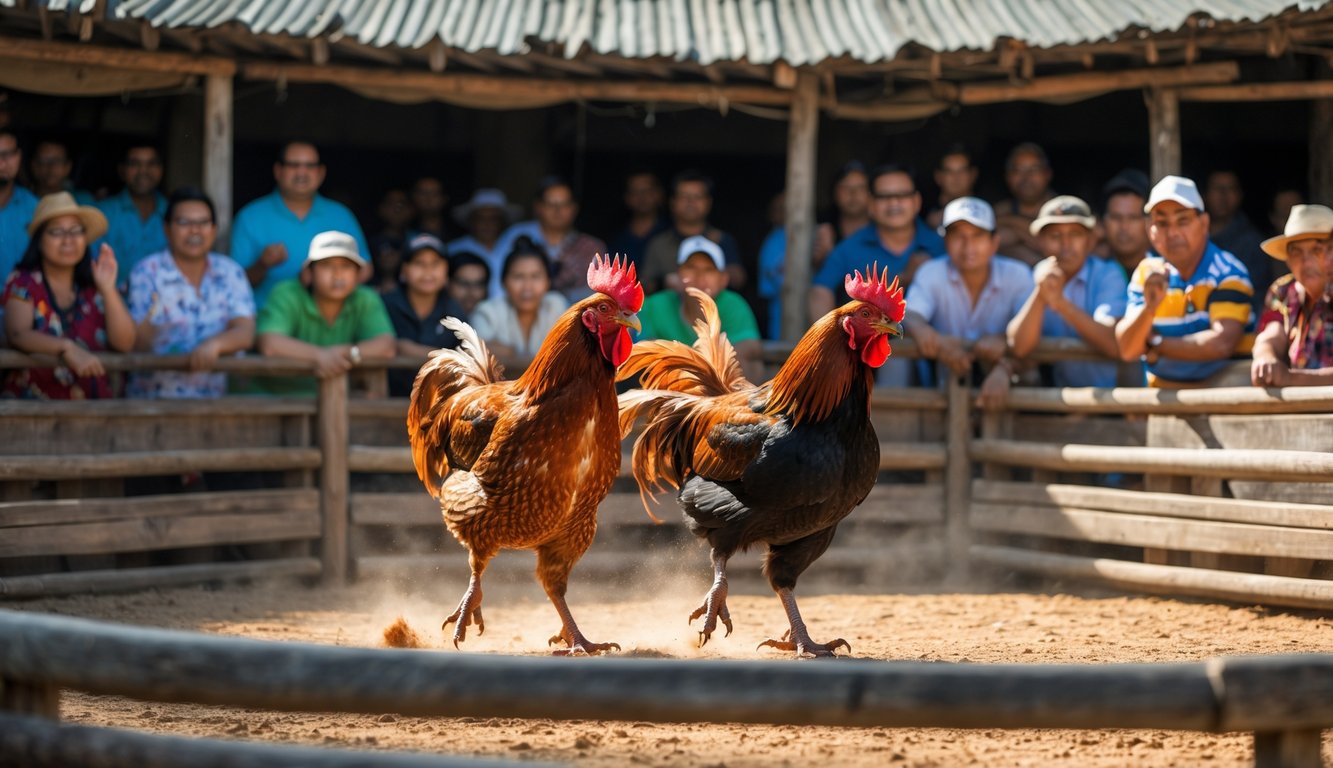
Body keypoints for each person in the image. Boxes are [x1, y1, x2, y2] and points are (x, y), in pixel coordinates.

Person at [1115, 175, 1255, 389]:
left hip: (1223, 404)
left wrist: (1155, 344)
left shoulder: (1227, 272)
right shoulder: (1146, 273)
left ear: (1204, 223)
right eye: (1161, 223)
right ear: (1149, 229)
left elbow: (1221, 344)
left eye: (1183, 221)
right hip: (1164, 404)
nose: (1172, 233)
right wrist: (1150, 308)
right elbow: (1128, 349)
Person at [903, 197, 1033, 407]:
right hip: (944, 388)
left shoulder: (1018, 275)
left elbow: (1033, 330)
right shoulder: (931, 272)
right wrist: (928, 335)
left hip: (1010, 381)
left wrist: (1005, 354)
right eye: (958, 236)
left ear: (994, 242)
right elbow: (911, 313)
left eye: (977, 236)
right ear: (946, 242)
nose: (968, 246)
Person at [126, 187, 255, 399]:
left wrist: (215, 345)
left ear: (213, 229)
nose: (195, 230)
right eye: (184, 223)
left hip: (215, 404)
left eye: (203, 223)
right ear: (167, 229)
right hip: (153, 403)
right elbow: (136, 341)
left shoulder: (231, 272)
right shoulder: (147, 272)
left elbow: (245, 332)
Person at [2, 192, 134, 398]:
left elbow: (125, 343)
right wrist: (66, 348)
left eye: (76, 231)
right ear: (39, 240)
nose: (68, 240)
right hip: (33, 414)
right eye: (56, 232)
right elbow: (17, 334)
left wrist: (108, 288)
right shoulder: (23, 282)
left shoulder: (94, 285)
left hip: (95, 413)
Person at [253, 231, 394, 397]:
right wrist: (320, 355)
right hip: (274, 402)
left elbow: (387, 346)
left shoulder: (365, 298)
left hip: (337, 401)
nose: (337, 274)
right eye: (327, 265)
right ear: (308, 273)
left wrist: (348, 353)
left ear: (358, 275)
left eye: (346, 266)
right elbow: (270, 344)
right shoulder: (286, 293)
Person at [230, 141, 369, 308]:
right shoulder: (250, 217)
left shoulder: (341, 215)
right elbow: (232, 283)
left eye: (310, 166)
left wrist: (326, 284)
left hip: (330, 324)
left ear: (321, 173)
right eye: (293, 165)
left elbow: (365, 269)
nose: (302, 172)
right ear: (278, 171)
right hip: (266, 322)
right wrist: (262, 265)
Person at [1007, 196, 1126, 388]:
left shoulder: (1108, 274)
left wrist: (1061, 303)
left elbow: (1113, 343)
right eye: (1055, 236)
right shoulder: (1035, 276)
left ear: (1089, 240)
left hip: (1107, 403)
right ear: (1040, 242)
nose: (1066, 245)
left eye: (1075, 234)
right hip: (1053, 404)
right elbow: (1019, 348)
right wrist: (1040, 294)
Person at [809, 164, 944, 321]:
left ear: (916, 201)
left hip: (933, 344)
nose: (894, 203)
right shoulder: (849, 248)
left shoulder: (941, 246)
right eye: (883, 196)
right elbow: (820, 291)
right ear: (871, 204)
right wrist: (831, 337)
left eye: (902, 195)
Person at [640, 235, 764, 382]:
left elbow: (750, 347)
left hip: (721, 394)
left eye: (709, 270)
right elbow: (640, 345)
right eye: (691, 268)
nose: (699, 277)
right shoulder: (655, 304)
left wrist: (684, 360)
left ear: (723, 279)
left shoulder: (733, 304)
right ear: (678, 275)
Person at [1250, 204, 1333, 387]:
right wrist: (1266, 356)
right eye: (1296, 252)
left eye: (1316, 250)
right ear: (1287, 260)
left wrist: (1291, 379)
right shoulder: (1283, 291)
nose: (1306, 261)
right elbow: (1271, 334)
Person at [492, 176, 606, 302]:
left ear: (574, 208)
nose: (558, 210)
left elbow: (597, 295)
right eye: (551, 204)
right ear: (538, 207)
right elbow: (496, 280)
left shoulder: (591, 247)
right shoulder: (516, 236)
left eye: (564, 204)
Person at [469, 236, 568, 376]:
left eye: (535, 276)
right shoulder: (487, 312)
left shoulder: (556, 305)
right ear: (504, 283)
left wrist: (509, 355)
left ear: (548, 282)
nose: (527, 287)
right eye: (518, 277)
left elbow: (569, 354)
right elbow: (476, 355)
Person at [382, 234, 464, 397]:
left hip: (438, 405)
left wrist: (408, 349)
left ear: (446, 270)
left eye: (435, 264)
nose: (428, 271)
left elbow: (466, 356)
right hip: (389, 400)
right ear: (404, 270)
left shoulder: (453, 309)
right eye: (419, 263)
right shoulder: (385, 305)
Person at [641, 170, 745, 294]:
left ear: (708, 202)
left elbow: (739, 280)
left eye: (697, 197)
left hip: (715, 310)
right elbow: (645, 287)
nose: (691, 202)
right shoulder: (658, 244)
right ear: (673, 202)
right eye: (684, 196)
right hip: (668, 309)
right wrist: (664, 282)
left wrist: (720, 276)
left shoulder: (722, 240)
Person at [94, 144, 168, 287]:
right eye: (135, 164)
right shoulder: (102, 213)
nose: (143, 171)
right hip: (111, 304)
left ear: (161, 170)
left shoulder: (174, 213)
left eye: (151, 164)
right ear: (122, 170)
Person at [1204, 170, 1272, 316]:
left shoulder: (1253, 242)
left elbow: (1258, 296)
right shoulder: (1194, 239)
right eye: (1218, 188)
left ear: (1240, 196)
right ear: (1205, 194)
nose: (1224, 195)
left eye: (1230, 189)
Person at [992, 142, 1056, 266]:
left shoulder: (1063, 208)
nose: (1026, 177)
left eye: (1034, 169)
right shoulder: (1000, 211)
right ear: (1008, 177)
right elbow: (987, 245)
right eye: (1018, 170)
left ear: (1047, 174)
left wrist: (1012, 225)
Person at [446, 188, 520, 273]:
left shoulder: (514, 247)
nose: (487, 224)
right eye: (481, 218)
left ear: (502, 222)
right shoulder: (454, 249)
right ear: (471, 221)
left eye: (493, 219)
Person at [606, 170, 669, 269]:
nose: (642, 197)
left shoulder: (670, 232)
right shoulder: (614, 235)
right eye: (635, 192)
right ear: (627, 197)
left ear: (659, 194)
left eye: (647, 191)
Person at [813, 160, 871, 267]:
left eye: (861, 187)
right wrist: (821, 258)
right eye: (845, 187)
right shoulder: (823, 227)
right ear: (834, 192)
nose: (853, 194)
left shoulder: (883, 228)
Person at [1099, 169, 1152, 279]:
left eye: (1133, 218)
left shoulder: (1167, 269)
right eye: (1116, 217)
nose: (1124, 227)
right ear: (1103, 222)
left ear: (1149, 222)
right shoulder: (1092, 271)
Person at [0, 130, 38, 282]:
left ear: (19, 157)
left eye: (7, 154)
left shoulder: (35, 209)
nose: (1, 163)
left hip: (22, 302)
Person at [368, 188, 414, 294]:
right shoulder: (369, 242)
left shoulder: (417, 241)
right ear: (381, 209)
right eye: (391, 204)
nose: (396, 209)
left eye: (401, 205)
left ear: (411, 210)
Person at [925, 145, 979, 230]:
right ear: (938, 176)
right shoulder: (923, 212)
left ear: (973, 174)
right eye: (949, 171)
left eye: (962, 171)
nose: (956, 177)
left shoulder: (988, 211)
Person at [28, 140, 93, 204]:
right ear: (34, 165)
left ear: (68, 166)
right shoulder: (23, 201)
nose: (51, 167)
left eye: (57, 161)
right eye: (44, 160)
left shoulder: (83, 200)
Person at [447, 250, 490, 318]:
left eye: (478, 285)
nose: (471, 292)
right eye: (463, 283)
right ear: (447, 283)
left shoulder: (495, 319)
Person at [409, 176, 449, 240]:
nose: (428, 198)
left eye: (434, 193)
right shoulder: (404, 232)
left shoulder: (458, 233)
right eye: (423, 193)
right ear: (413, 197)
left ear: (444, 199)